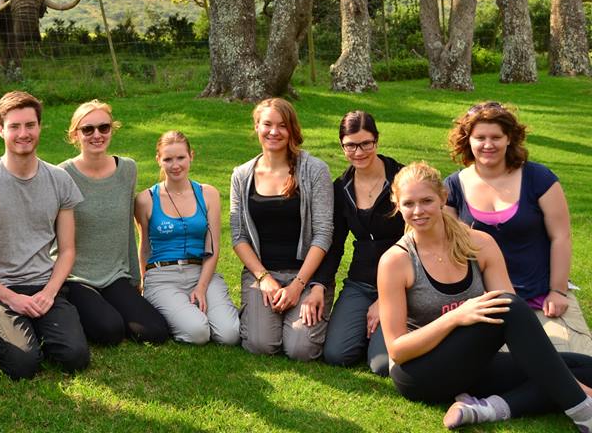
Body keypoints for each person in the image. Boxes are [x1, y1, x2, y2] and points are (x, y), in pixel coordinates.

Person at [378, 161, 592, 430]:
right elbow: (398, 349)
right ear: (397, 204)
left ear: (443, 197)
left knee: (584, 367)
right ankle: (585, 413)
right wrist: (457, 316)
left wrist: (553, 372)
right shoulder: (396, 261)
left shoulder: (480, 244)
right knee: (511, 310)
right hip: (420, 373)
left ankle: (486, 409)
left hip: (472, 362)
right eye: (408, 204)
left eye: (427, 200)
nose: (418, 211)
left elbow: (514, 322)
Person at [445, 101, 592, 356]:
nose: (488, 145)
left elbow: (561, 237)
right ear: (467, 140)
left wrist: (557, 291)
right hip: (489, 304)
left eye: (496, 137)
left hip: (542, 298)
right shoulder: (453, 186)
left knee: (578, 362)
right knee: (507, 369)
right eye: (480, 137)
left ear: (509, 139)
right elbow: (446, 248)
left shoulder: (539, 178)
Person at [0, 91, 91, 379]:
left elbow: (68, 249)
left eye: (30, 125)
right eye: (14, 126)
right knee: (23, 365)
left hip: (44, 285)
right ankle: (13, 330)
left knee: (75, 357)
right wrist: (11, 298)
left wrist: (49, 293)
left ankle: (37, 327)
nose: (23, 133)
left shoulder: (59, 180)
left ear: (39, 127)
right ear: (0, 130)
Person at [229, 98, 333, 360]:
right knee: (260, 344)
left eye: (282, 125)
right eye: (267, 124)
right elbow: (239, 237)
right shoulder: (241, 175)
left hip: (305, 275)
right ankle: (270, 312)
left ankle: (302, 313)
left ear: (292, 130)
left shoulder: (314, 170)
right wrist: (264, 280)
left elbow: (323, 233)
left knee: (301, 349)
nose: (274, 132)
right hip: (263, 275)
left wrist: (298, 286)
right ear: (256, 127)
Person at [59, 100, 169, 345]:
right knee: (110, 331)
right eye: (88, 129)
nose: (97, 135)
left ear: (112, 129)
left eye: (104, 127)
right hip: (76, 277)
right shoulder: (62, 175)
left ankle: (107, 306)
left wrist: (134, 278)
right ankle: (74, 307)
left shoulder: (127, 169)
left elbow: (127, 228)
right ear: (75, 135)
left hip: (115, 275)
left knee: (155, 332)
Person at [135, 130, 239, 346]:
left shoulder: (208, 193)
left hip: (201, 271)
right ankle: (180, 312)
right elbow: (144, 245)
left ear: (191, 155)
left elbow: (214, 247)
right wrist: (144, 283)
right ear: (158, 160)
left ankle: (198, 309)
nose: (175, 165)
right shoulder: (146, 199)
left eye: (181, 157)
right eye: (168, 159)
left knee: (229, 335)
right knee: (198, 333)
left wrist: (201, 287)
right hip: (162, 277)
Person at [321, 111, 404, 375]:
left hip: (403, 282)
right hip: (362, 280)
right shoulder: (341, 187)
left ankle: (387, 330)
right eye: (351, 145)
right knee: (336, 354)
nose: (359, 151)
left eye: (366, 143)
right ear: (342, 146)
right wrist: (318, 285)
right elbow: (335, 244)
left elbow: (419, 238)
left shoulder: (401, 179)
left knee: (381, 365)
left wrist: (386, 300)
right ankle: (369, 328)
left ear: (376, 141)